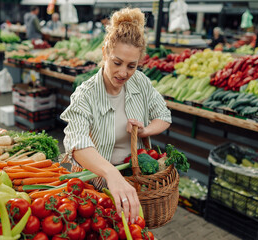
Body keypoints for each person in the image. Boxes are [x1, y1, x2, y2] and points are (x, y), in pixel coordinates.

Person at [60, 8, 171, 224]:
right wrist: (111, 174)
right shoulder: (85, 94)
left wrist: (144, 130)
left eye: (132, 66)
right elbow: (76, 142)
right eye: (116, 62)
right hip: (96, 187)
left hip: (134, 183)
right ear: (104, 53)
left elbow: (163, 115)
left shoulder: (140, 82)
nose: (123, 73)